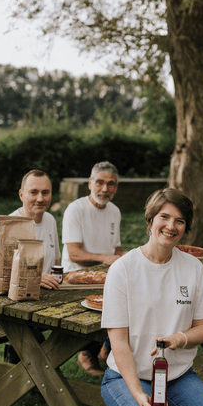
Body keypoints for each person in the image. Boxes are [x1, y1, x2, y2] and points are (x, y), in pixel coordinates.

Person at [101, 188, 203, 406]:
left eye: (180, 221)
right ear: (150, 220)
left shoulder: (193, 267)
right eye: (164, 217)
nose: (171, 226)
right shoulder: (123, 269)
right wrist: (139, 394)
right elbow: (118, 342)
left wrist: (179, 338)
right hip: (126, 378)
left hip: (178, 377)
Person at [0, 169, 62, 362]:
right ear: (21, 195)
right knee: (38, 341)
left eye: (45, 192)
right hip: (12, 305)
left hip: (45, 301)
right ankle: (26, 366)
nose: (40, 198)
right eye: (33, 192)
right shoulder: (7, 226)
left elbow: (56, 262)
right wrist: (34, 279)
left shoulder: (51, 220)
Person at [61, 161, 125, 376]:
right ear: (90, 183)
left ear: (116, 187)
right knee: (107, 307)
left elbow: (116, 249)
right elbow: (74, 254)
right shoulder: (75, 209)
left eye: (111, 184)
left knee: (138, 298)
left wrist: (134, 258)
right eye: (100, 182)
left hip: (105, 276)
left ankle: (107, 348)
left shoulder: (114, 211)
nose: (105, 189)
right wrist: (106, 259)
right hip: (75, 278)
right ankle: (88, 353)